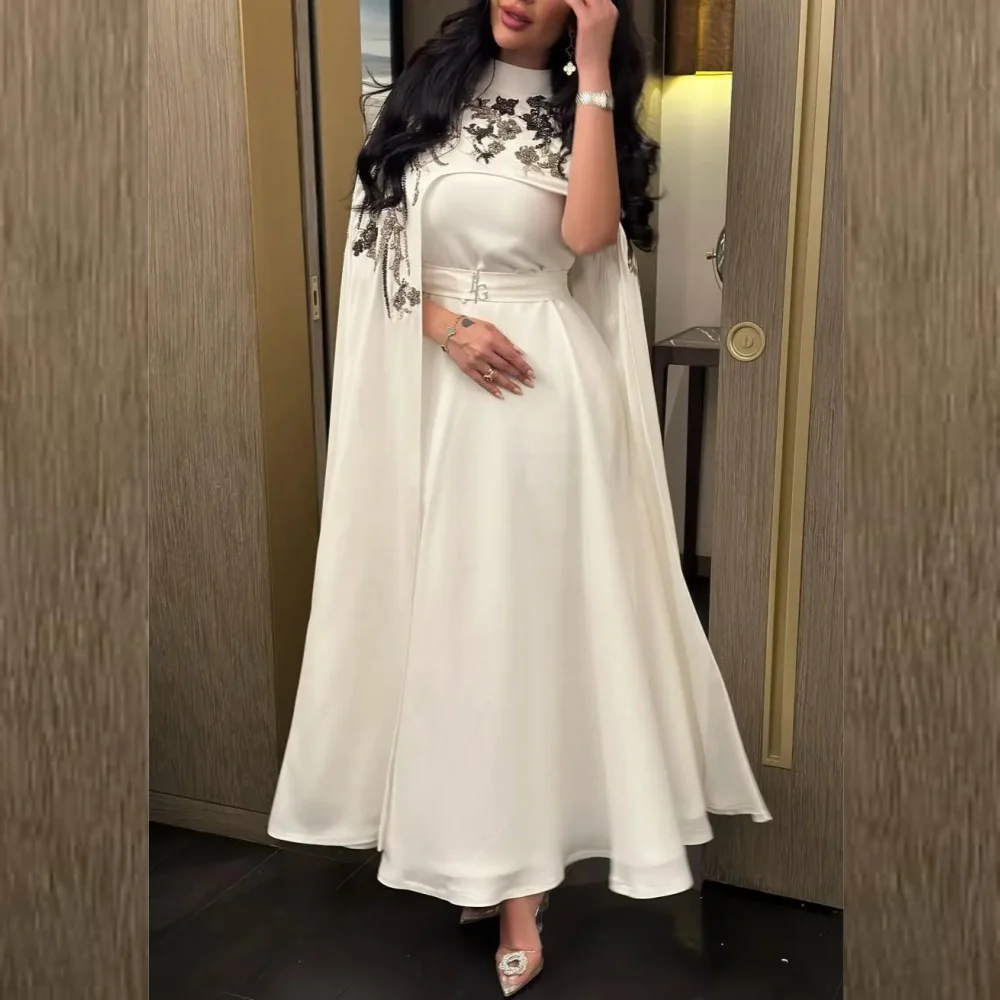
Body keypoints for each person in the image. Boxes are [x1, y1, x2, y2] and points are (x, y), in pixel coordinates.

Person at [268, 0, 769, 994]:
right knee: (455, 628)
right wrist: (448, 328)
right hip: (437, 396)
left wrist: (593, 68)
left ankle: (521, 888)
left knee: (527, 631)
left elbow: (586, 236)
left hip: (545, 400)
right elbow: (379, 259)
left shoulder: (584, 111)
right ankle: (475, 848)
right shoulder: (421, 98)